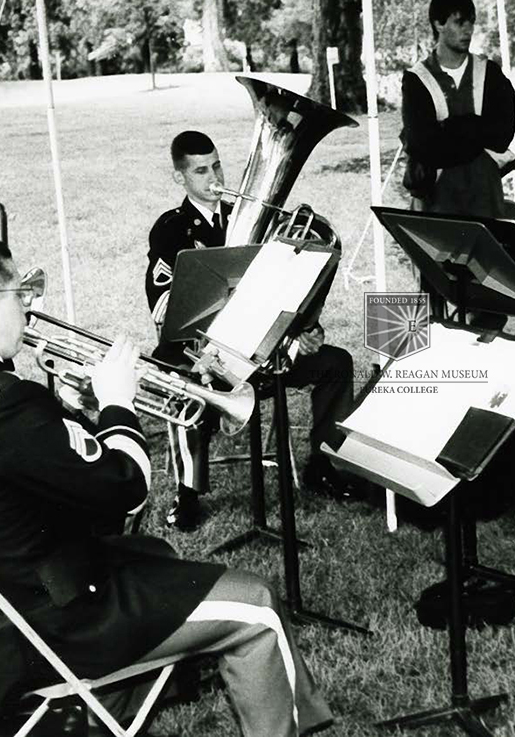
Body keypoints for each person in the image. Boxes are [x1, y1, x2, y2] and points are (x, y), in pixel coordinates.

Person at [0, 234, 332, 734]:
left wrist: (77, 415)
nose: (28, 306)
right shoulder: (6, 402)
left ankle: (134, 695)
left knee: (155, 552)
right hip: (55, 627)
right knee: (258, 606)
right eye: (20, 293)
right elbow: (127, 489)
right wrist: (118, 405)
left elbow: (43, 476)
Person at [145, 130, 358, 529]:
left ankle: (323, 464)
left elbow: (287, 288)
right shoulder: (171, 229)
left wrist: (303, 331)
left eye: (217, 166)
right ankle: (187, 492)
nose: (214, 178)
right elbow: (163, 308)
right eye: (201, 171)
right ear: (180, 177)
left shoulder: (254, 219)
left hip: (262, 349)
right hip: (203, 352)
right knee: (182, 385)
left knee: (337, 364)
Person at [400, 0, 515, 219]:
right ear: (438, 24)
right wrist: (476, 130)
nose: (468, 30)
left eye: (471, 22)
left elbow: (503, 134)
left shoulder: (489, 73)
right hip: (438, 201)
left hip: (485, 198)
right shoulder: (417, 79)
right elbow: (421, 144)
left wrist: (449, 129)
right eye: (459, 22)